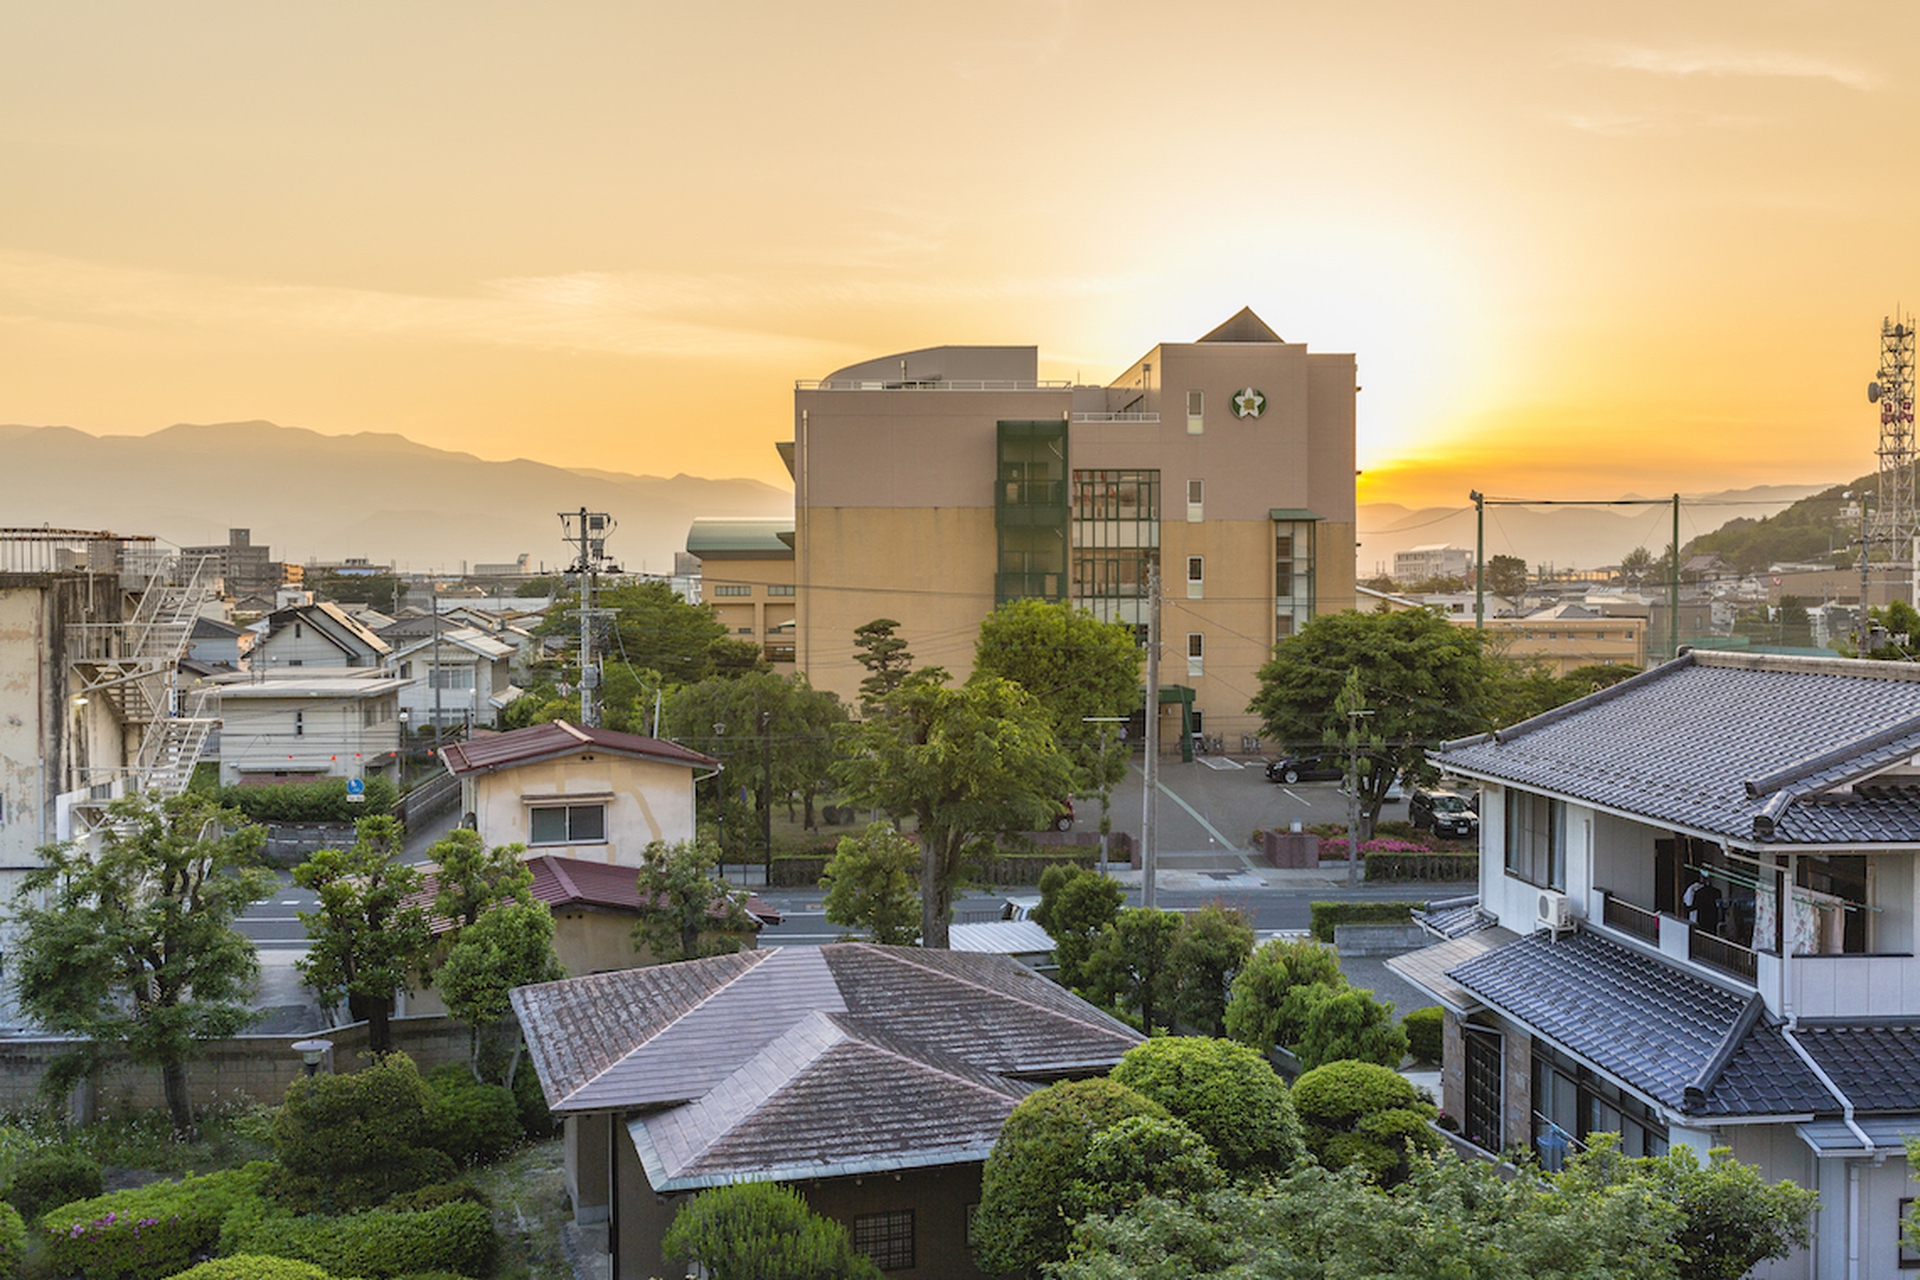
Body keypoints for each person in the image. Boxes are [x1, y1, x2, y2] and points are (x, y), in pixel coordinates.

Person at [1683, 869, 1723, 935]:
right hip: (1712, 921)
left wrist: (1686, 908)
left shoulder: (1699, 892)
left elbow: (1694, 906)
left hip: (1702, 921)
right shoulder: (1716, 892)